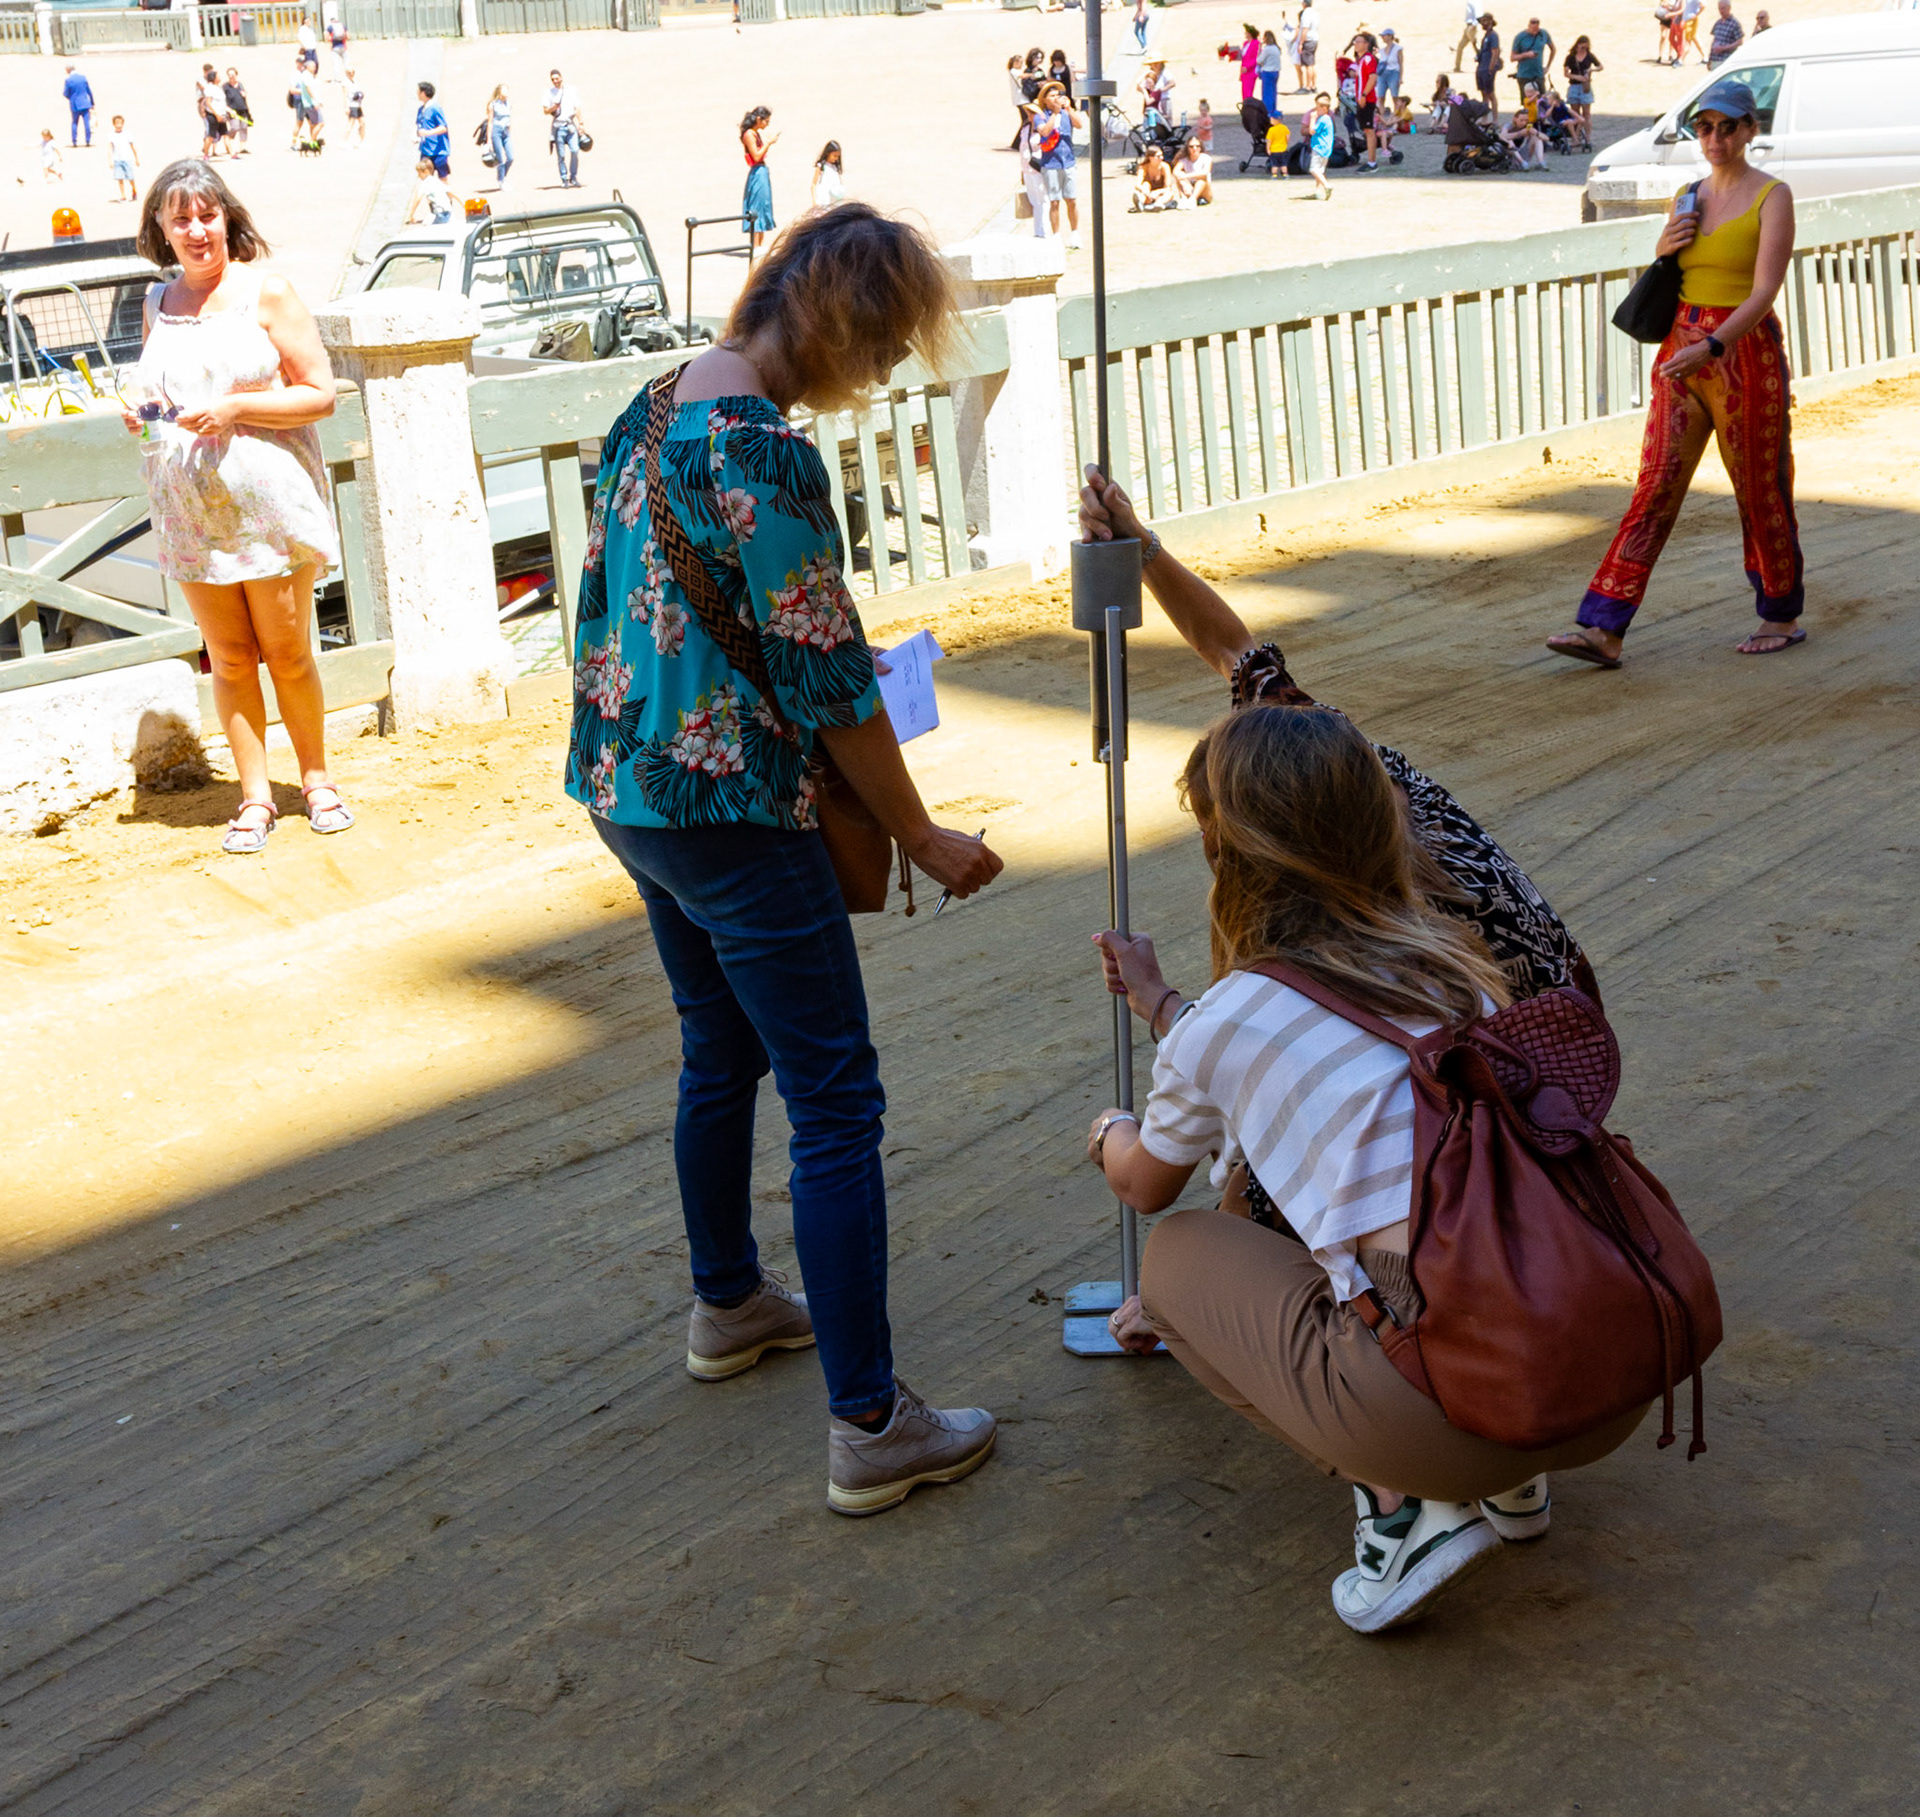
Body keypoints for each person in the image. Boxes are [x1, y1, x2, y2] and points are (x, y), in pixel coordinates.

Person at [1073, 474, 1622, 1634]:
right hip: (1594, 1319)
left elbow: (1219, 1149)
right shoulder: (1382, 826)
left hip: (1437, 1291)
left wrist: (1190, 1268)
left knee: (1188, 1253)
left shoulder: (1269, 987)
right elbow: (1237, 649)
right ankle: (1512, 1470)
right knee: (1406, 1156)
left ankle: (1402, 1501)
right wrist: (1149, 550)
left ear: (1242, 851)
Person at [565, 204, 1002, 1515]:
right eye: (875, 353)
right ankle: (871, 1420)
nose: (867, 380)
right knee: (837, 1102)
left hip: (628, 784)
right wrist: (919, 828)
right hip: (737, 813)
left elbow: (643, 612)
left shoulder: (651, 412)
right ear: (841, 324)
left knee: (722, 1049)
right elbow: (826, 686)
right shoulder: (765, 449)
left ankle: (729, 1301)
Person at [124, 161, 348, 855]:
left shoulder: (267, 293)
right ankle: (255, 798)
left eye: (207, 215)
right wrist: (142, 411)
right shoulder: (157, 304)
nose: (197, 231)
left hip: (266, 505)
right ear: (160, 229)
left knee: (286, 651)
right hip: (189, 507)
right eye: (180, 219)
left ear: (228, 218)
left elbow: (321, 393)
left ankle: (315, 780)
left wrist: (237, 407)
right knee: (227, 658)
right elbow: (160, 392)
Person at [1548, 79, 1802, 668]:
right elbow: (1672, 274)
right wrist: (1664, 247)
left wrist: (1714, 344)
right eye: (1705, 127)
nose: (1714, 138)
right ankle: (1603, 627)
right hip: (1682, 348)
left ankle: (1782, 613)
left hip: (1739, 351)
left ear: (1750, 131)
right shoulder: (1688, 194)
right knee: (1655, 485)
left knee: (1760, 487)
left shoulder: (1774, 195)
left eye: (1727, 126)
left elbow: (1764, 291)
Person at [1033, 81, 1086, 249]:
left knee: (1071, 199)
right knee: (1054, 201)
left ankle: (1075, 233)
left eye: (1058, 95)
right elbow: (1045, 131)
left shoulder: (1066, 114)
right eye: (1052, 96)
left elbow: (1079, 124)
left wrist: (1069, 109)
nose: (1056, 99)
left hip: (1068, 161)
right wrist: (1055, 114)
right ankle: (1056, 234)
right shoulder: (1041, 115)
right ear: (1045, 100)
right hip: (1050, 163)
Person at [741, 105, 777, 259]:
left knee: (763, 205)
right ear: (758, 119)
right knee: (757, 205)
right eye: (766, 121)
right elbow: (756, 156)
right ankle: (755, 245)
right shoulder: (749, 134)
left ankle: (760, 244)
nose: (767, 124)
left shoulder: (754, 134)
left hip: (762, 171)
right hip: (757, 171)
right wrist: (769, 143)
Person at [546, 66, 583, 189]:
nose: (555, 81)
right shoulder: (549, 93)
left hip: (570, 125)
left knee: (575, 150)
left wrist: (581, 123)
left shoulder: (571, 90)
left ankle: (573, 177)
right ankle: (564, 178)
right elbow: (545, 110)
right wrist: (554, 107)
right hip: (558, 126)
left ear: (561, 77)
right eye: (553, 79)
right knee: (561, 155)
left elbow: (577, 107)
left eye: (556, 78)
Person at [1562, 36, 1599, 150]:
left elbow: (1600, 66)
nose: (1584, 49)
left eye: (1586, 47)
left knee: (1586, 114)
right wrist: (1577, 77)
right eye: (1582, 47)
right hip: (1574, 86)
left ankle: (1587, 138)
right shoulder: (1570, 57)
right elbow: (1566, 72)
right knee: (1575, 113)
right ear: (1577, 45)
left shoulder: (1589, 56)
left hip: (1585, 87)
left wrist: (1590, 70)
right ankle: (1576, 137)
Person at [1353, 32, 1381, 171]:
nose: (1355, 44)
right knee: (1367, 130)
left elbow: (1372, 77)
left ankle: (1372, 162)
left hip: (1367, 99)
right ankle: (1371, 160)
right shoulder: (1361, 60)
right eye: (1355, 42)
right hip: (1362, 99)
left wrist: (1363, 95)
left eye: (1359, 41)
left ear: (1366, 44)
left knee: (1369, 131)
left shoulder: (1368, 59)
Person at [1510, 16, 1553, 100]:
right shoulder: (1520, 37)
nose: (1535, 32)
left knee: (1542, 101)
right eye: (1533, 29)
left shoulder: (1543, 34)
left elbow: (1553, 49)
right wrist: (1526, 55)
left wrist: (1548, 66)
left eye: (1536, 29)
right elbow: (1512, 57)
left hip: (1538, 74)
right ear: (1529, 26)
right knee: (1527, 101)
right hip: (1524, 74)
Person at [404, 157, 457, 225]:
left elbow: (417, 199)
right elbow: (451, 194)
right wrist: (463, 206)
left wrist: (410, 215)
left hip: (439, 214)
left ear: (426, 171)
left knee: (427, 225)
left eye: (419, 173)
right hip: (449, 213)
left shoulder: (425, 184)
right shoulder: (437, 181)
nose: (418, 176)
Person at [415, 79, 449, 179]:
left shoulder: (435, 108)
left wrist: (428, 133)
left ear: (424, 93)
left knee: (443, 177)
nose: (417, 94)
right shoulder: (421, 110)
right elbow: (418, 125)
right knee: (425, 177)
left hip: (438, 150)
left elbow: (443, 127)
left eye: (418, 92)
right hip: (426, 149)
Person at [1130, 143, 1178, 211]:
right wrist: (1146, 192)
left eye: (1162, 155)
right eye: (1158, 156)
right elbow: (1137, 184)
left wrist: (1157, 192)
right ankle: (1141, 202)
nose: (1161, 158)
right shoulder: (1143, 167)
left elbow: (1168, 187)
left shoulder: (1165, 167)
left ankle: (1156, 204)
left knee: (1170, 194)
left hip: (1161, 194)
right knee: (1146, 184)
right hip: (1147, 194)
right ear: (1150, 158)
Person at [1502, 100, 1549, 168]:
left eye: (1526, 120)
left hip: (1521, 153)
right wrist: (1519, 134)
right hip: (1509, 154)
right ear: (1515, 118)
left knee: (1536, 138)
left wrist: (1536, 133)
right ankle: (1522, 162)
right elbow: (1502, 136)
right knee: (1509, 141)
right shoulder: (1508, 126)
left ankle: (1541, 162)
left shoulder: (1527, 126)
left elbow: (1547, 138)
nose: (1524, 123)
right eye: (1521, 120)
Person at [1306, 90, 1334, 198]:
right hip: (1326, 148)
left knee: (1314, 169)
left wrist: (1312, 118)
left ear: (1324, 108)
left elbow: (1312, 131)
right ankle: (1317, 192)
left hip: (1319, 147)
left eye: (1317, 107)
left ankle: (1326, 185)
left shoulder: (1323, 119)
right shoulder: (1327, 119)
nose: (1315, 110)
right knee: (1320, 170)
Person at [62, 62, 94, 149]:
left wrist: (71, 98)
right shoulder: (83, 78)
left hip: (75, 104)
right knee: (86, 123)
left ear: (68, 70)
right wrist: (92, 102)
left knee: (75, 123)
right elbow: (89, 91)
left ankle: (74, 141)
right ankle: (88, 140)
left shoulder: (68, 80)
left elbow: (65, 93)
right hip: (85, 103)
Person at [107, 115, 139, 201]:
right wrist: (110, 161)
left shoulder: (127, 134)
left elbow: (132, 147)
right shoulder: (111, 135)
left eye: (120, 123)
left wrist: (136, 159)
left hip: (127, 158)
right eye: (117, 123)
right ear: (114, 124)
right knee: (120, 178)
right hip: (117, 160)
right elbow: (110, 149)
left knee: (130, 177)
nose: (119, 125)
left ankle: (134, 189)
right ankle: (123, 195)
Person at [486, 84, 512, 188]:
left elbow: (509, 119)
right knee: (500, 158)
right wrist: (489, 140)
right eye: (504, 90)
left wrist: (510, 131)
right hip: (496, 131)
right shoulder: (493, 105)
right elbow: (490, 122)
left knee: (510, 157)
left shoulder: (508, 104)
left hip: (506, 131)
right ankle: (501, 181)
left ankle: (502, 175)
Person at [1175, 135, 1215, 203]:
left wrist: (1186, 176)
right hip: (1189, 188)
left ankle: (1192, 199)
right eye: (1191, 146)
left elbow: (1205, 172)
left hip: (1204, 190)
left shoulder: (1206, 158)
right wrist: (1185, 184)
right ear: (1187, 148)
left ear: (1200, 147)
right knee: (1180, 175)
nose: (1194, 148)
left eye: (1197, 146)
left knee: (1201, 179)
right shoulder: (1184, 160)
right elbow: (1175, 172)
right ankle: (1183, 199)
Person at [222, 69, 253, 156]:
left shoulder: (240, 85)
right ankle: (228, 141)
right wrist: (228, 109)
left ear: (236, 75)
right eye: (229, 75)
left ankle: (242, 147)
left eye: (233, 74)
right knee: (235, 127)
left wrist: (244, 94)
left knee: (243, 127)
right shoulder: (225, 87)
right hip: (232, 111)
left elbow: (244, 93)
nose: (231, 76)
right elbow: (223, 99)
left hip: (242, 109)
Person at [1475, 14, 1502, 109]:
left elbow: (1495, 51)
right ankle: (1485, 117)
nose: (1482, 24)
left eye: (1484, 21)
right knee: (1484, 93)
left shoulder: (1493, 36)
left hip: (1487, 68)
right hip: (1482, 67)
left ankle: (1495, 118)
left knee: (1490, 93)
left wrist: (1491, 67)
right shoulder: (1486, 36)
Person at [810, 140, 845, 211]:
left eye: (838, 156)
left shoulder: (835, 168)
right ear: (828, 153)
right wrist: (814, 201)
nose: (836, 158)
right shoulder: (821, 166)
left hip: (835, 201)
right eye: (834, 156)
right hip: (823, 202)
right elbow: (813, 184)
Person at [1708, 0, 1744, 67]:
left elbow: (1740, 41)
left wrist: (1724, 48)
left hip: (1726, 60)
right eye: (1719, 8)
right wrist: (1710, 59)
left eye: (1723, 8)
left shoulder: (1734, 23)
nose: (1721, 11)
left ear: (1729, 8)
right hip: (1715, 59)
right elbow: (1714, 41)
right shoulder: (1718, 23)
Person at [1377, 29, 1404, 110]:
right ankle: (1382, 115)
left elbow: (1400, 63)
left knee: (1394, 96)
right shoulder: (1381, 50)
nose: (1382, 37)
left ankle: (1395, 115)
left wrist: (1400, 77)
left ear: (1390, 36)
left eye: (1384, 36)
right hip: (1382, 74)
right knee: (1381, 96)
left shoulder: (1398, 49)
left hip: (1393, 72)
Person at [1258, 30, 1283, 116]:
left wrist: (1259, 48)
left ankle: (1268, 110)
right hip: (1275, 72)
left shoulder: (1267, 49)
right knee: (1273, 92)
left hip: (1267, 72)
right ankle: (1273, 109)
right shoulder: (1276, 48)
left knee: (1267, 93)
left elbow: (1259, 60)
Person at [1296, 3, 1320, 92]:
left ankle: (1308, 86)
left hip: (1308, 40)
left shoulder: (1306, 13)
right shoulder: (1314, 12)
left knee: (1308, 65)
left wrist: (1301, 43)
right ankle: (1313, 85)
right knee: (1312, 64)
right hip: (1315, 39)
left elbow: (1305, 29)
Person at [1454, 0, 1481, 72]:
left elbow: (1479, 15)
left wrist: (1473, 25)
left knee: (1475, 46)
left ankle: (1484, 62)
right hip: (1468, 26)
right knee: (1461, 46)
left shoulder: (1476, 2)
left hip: (1471, 27)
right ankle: (1457, 67)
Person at [1238, 24, 1261, 105]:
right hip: (1244, 71)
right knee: (1244, 93)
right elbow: (1243, 59)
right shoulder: (1245, 43)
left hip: (1251, 71)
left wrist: (1247, 67)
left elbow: (1257, 58)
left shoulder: (1256, 43)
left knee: (1248, 93)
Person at [1266, 109, 1292, 177]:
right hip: (1283, 149)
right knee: (1284, 164)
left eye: (1271, 118)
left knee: (1274, 165)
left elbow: (1269, 141)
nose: (1270, 120)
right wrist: (1286, 143)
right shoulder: (1284, 128)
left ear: (1275, 120)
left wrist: (1268, 149)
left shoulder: (1271, 130)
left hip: (1274, 150)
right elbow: (1288, 136)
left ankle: (1274, 175)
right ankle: (1285, 174)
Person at [1655, 0, 1682, 65]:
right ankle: (1660, 55)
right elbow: (1662, 3)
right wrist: (1664, 4)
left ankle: (1671, 55)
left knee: (1672, 36)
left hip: (1673, 17)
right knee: (1663, 36)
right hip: (1665, 15)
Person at [344, 69, 365, 146]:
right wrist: (346, 107)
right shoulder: (345, 83)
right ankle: (345, 141)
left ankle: (362, 141)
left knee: (362, 122)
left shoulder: (355, 81)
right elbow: (345, 95)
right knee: (351, 123)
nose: (351, 74)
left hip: (358, 105)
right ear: (346, 73)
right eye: (350, 73)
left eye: (353, 72)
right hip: (351, 105)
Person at [326, 13, 349, 84]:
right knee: (346, 63)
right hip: (343, 46)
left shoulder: (330, 27)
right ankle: (349, 76)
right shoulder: (343, 26)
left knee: (336, 63)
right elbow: (348, 36)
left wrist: (333, 39)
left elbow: (327, 38)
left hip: (335, 47)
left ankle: (337, 78)